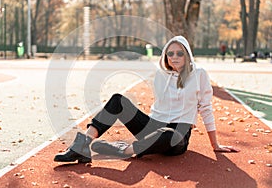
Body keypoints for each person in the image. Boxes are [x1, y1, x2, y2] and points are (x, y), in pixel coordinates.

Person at [54, 35, 240, 163]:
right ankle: (82, 145)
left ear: (188, 55)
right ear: (165, 56)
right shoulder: (161, 75)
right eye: (170, 53)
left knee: (169, 134)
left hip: (177, 136)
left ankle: (123, 150)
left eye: (180, 53)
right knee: (118, 100)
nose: (174, 57)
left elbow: (206, 108)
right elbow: (159, 107)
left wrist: (215, 145)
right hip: (153, 126)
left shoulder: (199, 74)